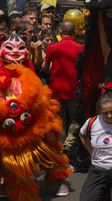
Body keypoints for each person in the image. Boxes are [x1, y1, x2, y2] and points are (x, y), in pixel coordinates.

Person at [42, 20, 84, 153]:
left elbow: (46, 69)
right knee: (74, 120)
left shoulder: (52, 47)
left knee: (59, 119)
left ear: (60, 32)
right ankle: (69, 144)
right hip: (74, 90)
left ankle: (60, 146)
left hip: (57, 91)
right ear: (74, 32)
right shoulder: (81, 48)